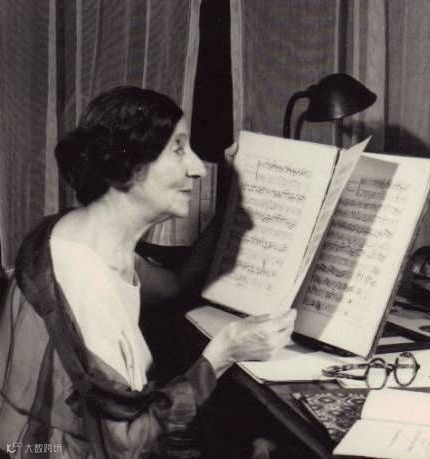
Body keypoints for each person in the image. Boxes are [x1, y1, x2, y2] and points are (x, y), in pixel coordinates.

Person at [0, 86, 295, 458]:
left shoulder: (82, 234)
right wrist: (223, 353)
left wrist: (230, 210)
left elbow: (177, 286)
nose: (198, 168)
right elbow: (127, 444)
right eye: (178, 149)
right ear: (128, 166)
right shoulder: (84, 280)